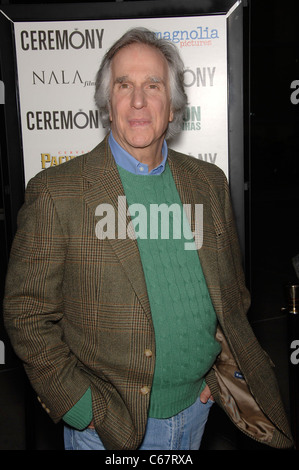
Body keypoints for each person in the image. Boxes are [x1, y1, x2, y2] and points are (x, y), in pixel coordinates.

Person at [3, 27, 293, 451]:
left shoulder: (209, 183)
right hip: (106, 429)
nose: (138, 101)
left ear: (172, 107)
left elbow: (230, 296)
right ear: (107, 103)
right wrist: (82, 409)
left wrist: (215, 376)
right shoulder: (56, 192)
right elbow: (26, 313)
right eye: (125, 85)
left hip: (198, 410)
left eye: (153, 85)